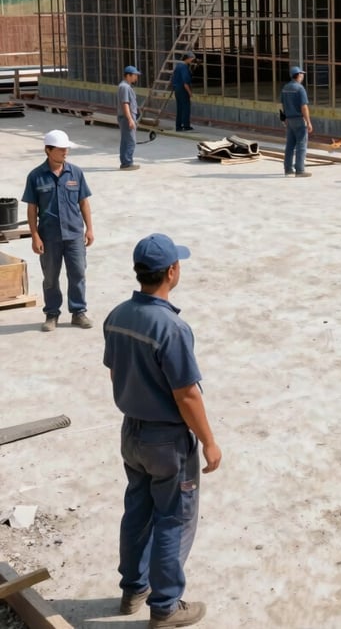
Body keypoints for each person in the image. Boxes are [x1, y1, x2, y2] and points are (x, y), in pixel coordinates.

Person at [103, 233, 222, 628]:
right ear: (172, 271)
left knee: (138, 510)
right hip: (167, 441)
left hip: (131, 433)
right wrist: (208, 442)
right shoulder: (172, 328)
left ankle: (133, 589)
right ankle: (166, 607)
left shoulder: (117, 315)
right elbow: (187, 395)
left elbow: (114, 368)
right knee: (173, 517)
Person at [22, 129, 94, 332]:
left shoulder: (76, 173)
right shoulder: (36, 176)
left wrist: (89, 229)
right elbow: (31, 208)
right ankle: (52, 314)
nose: (65, 153)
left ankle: (78, 312)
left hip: (74, 235)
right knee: (51, 277)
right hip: (49, 237)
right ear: (48, 150)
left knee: (78, 273)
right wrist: (35, 236)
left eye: (66, 149)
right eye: (61, 149)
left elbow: (84, 202)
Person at [281, 65, 313, 177]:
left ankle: (288, 169)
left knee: (290, 145)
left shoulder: (285, 88)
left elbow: (282, 105)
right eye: (302, 74)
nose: (303, 76)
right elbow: (304, 106)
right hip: (299, 119)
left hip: (289, 120)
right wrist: (308, 122)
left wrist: (284, 119)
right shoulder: (300, 88)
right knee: (301, 145)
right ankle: (300, 170)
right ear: (298, 75)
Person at [117, 65, 141, 170]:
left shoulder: (125, 86)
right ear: (128, 75)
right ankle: (127, 162)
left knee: (126, 140)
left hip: (126, 117)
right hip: (127, 117)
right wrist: (130, 119)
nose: (136, 77)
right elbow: (125, 104)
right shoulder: (124, 87)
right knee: (131, 141)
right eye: (135, 75)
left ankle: (125, 162)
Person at [172, 52, 196, 132]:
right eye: (192, 59)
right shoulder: (184, 67)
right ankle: (186, 125)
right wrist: (190, 93)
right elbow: (185, 83)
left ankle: (178, 126)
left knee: (179, 108)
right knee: (185, 108)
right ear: (188, 58)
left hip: (177, 89)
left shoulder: (179, 66)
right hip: (183, 90)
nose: (192, 61)